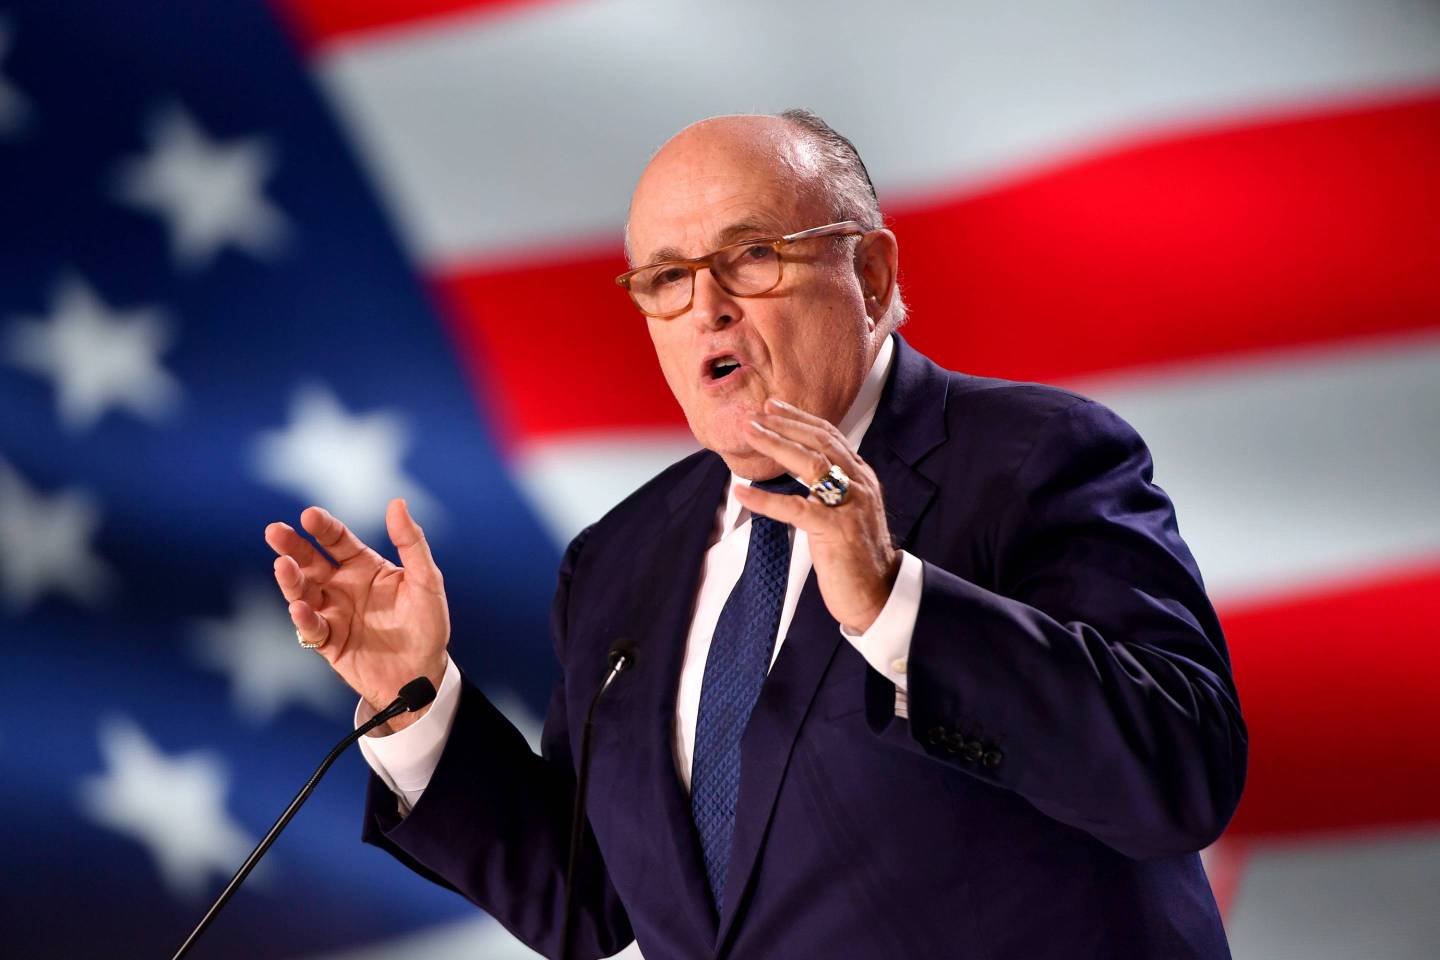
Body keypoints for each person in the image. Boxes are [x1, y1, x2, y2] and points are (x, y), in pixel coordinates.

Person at [264, 109, 1247, 959]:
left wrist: (894, 605)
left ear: (871, 272)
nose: (709, 308)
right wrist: (415, 702)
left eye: (751, 256)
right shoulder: (619, 559)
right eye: (667, 277)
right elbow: (588, 898)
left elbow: (1181, 773)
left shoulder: (1033, 459)